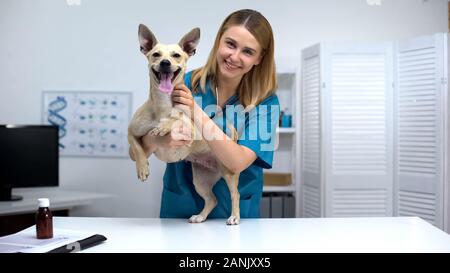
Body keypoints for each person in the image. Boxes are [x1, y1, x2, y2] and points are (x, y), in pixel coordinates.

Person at [137, 9, 279, 219]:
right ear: (218, 42)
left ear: (259, 58)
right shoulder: (182, 82)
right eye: (230, 44)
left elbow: (237, 162)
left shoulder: (265, 103)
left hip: (237, 216)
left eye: (248, 51)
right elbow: (139, 150)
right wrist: (159, 138)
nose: (234, 56)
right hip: (180, 208)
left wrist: (195, 112)